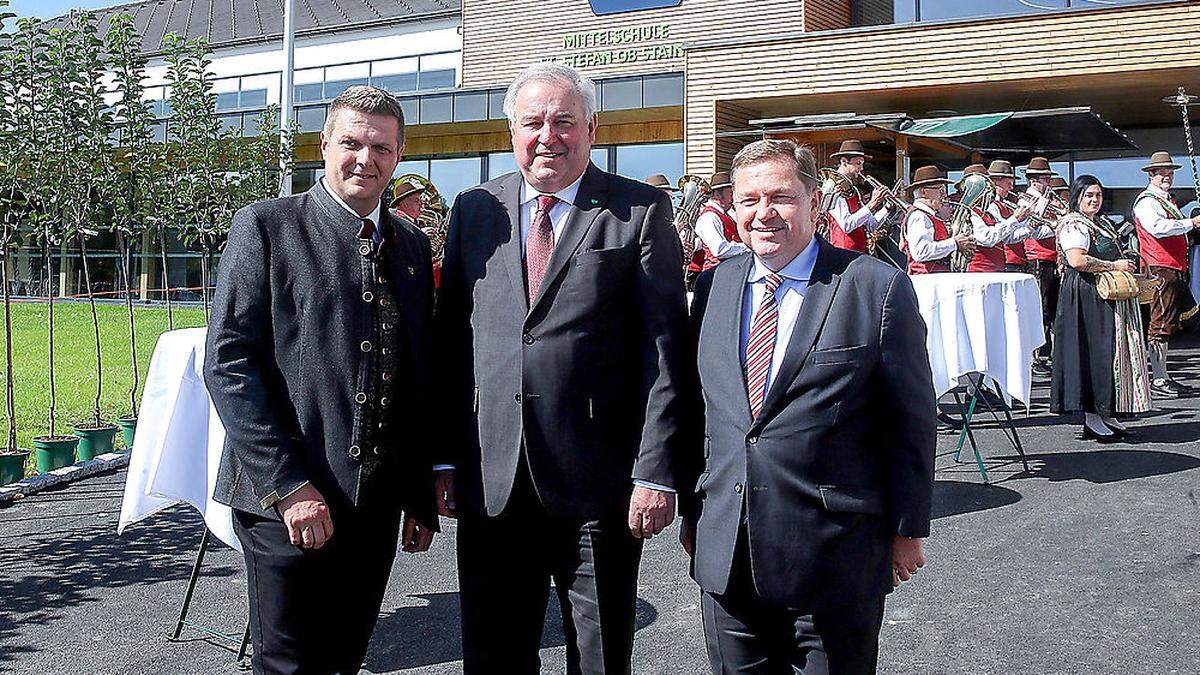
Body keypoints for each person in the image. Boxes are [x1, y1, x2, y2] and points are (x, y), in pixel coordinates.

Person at [434, 63, 692, 674]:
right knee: (495, 654)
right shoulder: (475, 210)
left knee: (600, 655)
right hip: (492, 481)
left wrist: (656, 471)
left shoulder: (640, 211)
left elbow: (665, 353)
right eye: (533, 123)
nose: (548, 136)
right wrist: (444, 457)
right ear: (511, 133)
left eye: (564, 122)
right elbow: (452, 344)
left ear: (592, 130)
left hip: (597, 484)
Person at [205, 86, 438, 674]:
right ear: (324, 146)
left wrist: (416, 494)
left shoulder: (410, 244)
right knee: (288, 665)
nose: (366, 158)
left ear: (400, 154)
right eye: (352, 143)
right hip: (288, 499)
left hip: (375, 504)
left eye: (381, 148)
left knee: (344, 659)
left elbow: (414, 374)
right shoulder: (266, 227)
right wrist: (287, 486)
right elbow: (229, 363)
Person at [684, 138, 935, 673]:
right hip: (729, 553)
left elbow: (910, 420)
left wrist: (909, 528)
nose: (763, 213)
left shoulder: (874, 285)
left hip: (833, 558)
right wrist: (693, 509)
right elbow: (695, 410)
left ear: (816, 202)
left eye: (781, 197)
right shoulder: (712, 288)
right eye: (748, 200)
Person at [1051, 174, 1152, 440]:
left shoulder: (1099, 223)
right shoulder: (1074, 225)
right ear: (1077, 198)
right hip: (1084, 294)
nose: (1095, 200)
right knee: (1091, 352)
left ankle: (1107, 412)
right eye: (1089, 196)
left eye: (1097, 195)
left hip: (1102, 293)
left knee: (1107, 353)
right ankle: (1092, 416)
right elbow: (1077, 260)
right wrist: (1114, 266)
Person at [1132, 151, 1200, 397]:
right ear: (1151, 175)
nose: (1166, 176)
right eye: (1161, 173)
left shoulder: (1166, 201)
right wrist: (1190, 224)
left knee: (1174, 320)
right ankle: (1159, 378)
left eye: (1169, 172)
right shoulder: (1147, 201)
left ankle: (1163, 375)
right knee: (1160, 323)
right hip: (1160, 267)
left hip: (1173, 268)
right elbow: (1157, 228)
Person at [1019, 157, 1060, 376]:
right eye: (1045, 179)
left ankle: (1052, 354)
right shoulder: (1026, 201)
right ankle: (1035, 357)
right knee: (1038, 309)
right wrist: (1055, 227)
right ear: (1034, 181)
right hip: (1036, 258)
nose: (1048, 183)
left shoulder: (1048, 199)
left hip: (1051, 258)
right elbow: (1031, 230)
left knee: (1052, 309)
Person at [821, 139, 893, 253]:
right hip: (844, 253)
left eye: (862, 164)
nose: (861, 169)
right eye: (858, 164)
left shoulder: (853, 188)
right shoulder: (834, 186)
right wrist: (872, 204)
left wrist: (887, 206)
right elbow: (847, 225)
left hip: (859, 252)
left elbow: (870, 225)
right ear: (844, 161)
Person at [901, 165, 974, 274]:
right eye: (940, 189)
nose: (944, 194)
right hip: (927, 282)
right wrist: (955, 243)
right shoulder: (919, 216)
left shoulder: (927, 216)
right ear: (923, 192)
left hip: (935, 280)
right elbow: (921, 252)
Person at [693, 170, 748, 270]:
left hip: (728, 270)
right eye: (731, 193)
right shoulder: (709, 217)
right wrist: (748, 248)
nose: (734, 198)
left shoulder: (727, 213)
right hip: (716, 273)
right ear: (718, 195)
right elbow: (719, 250)